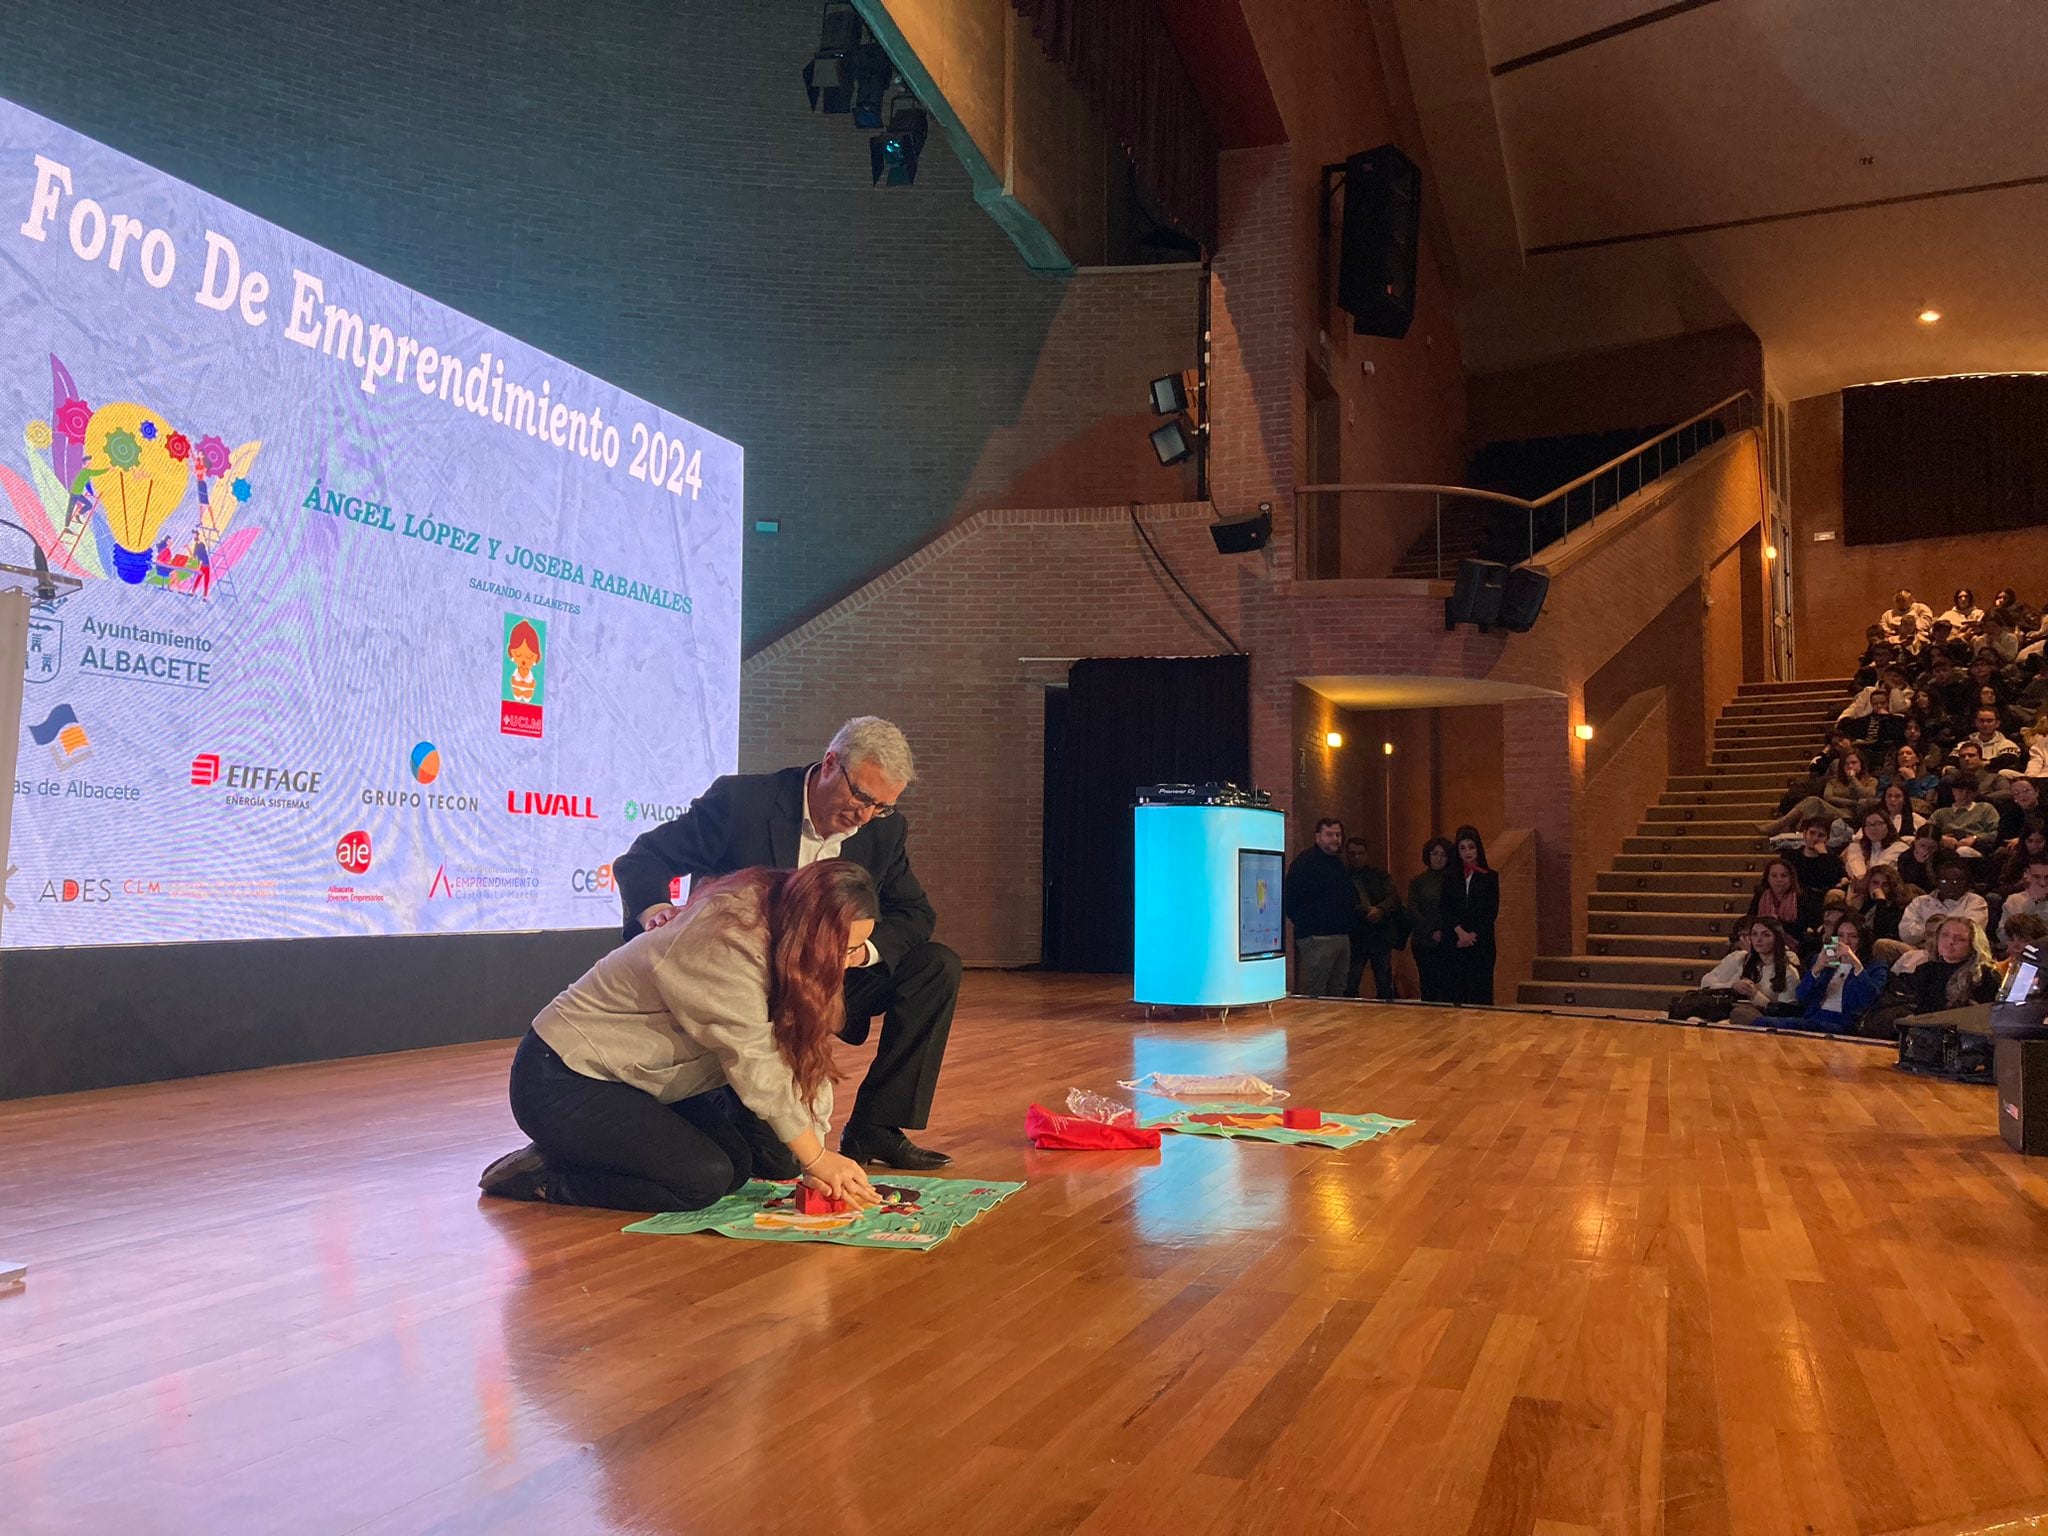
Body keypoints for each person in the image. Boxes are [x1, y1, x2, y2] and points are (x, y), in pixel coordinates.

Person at [611, 716, 959, 1171]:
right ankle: (703, 1102)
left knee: (936, 966)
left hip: (824, 983)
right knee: (777, 1164)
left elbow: (915, 914)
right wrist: (654, 910)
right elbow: (643, 860)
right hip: (747, 991)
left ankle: (876, 1126)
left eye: (881, 806)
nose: (866, 816)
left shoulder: (882, 831)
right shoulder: (742, 803)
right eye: (862, 797)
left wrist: (860, 952)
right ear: (831, 763)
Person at [479, 860, 885, 1213]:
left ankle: (585, 1150)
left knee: (738, 1167)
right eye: (845, 949)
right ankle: (549, 1175)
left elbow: (804, 1056)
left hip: (638, 1081)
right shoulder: (726, 942)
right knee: (701, 1181)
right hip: (561, 1078)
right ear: (814, 932)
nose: (849, 961)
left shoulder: (792, 933)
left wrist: (819, 1148)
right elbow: (756, 1060)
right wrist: (816, 1159)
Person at [1284, 818, 1355, 998]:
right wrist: (1308, 926)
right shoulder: (1305, 863)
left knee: (1338, 989)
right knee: (1317, 991)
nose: (1335, 839)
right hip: (1317, 937)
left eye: (1338, 835)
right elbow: (1290, 898)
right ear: (1318, 837)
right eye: (1329, 834)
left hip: (1340, 935)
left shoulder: (1338, 863)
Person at [1789, 911, 1890, 1035]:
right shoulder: (1823, 961)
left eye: (1853, 936)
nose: (1845, 942)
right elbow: (1801, 997)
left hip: (1845, 1024)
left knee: (1766, 1024)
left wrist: (1856, 965)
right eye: (1841, 936)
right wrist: (1815, 970)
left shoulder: (1875, 966)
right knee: (1764, 1023)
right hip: (1813, 1019)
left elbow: (1870, 1001)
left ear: (1862, 939)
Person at [1890, 916, 1999, 1019]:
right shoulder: (1926, 970)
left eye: (1960, 939)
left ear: (1973, 945)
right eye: (1945, 935)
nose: (1950, 942)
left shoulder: (1983, 975)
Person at [1440, 825, 1500, 1006]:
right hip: (1456, 941)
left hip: (1481, 942)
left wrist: (1473, 935)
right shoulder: (1449, 877)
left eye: (1471, 847)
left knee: (1480, 993)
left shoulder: (1490, 877)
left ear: (1478, 849)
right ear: (1457, 851)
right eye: (1462, 848)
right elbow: (1445, 907)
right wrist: (1460, 932)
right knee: (1456, 992)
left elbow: (1490, 911)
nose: (1467, 852)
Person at [1759, 748, 1874, 837]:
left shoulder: (1870, 780)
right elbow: (1828, 797)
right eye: (1846, 764)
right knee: (1812, 803)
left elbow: (1868, 795)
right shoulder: (1834, 781)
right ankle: (1791, 830)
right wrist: (1853, 802)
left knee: (1813, 803)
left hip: (1849, 815)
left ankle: (1778, 826)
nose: (1850, 766)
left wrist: (1853, 779)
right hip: (1829, 809)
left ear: (1861, 764)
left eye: (1854, 763)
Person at [1341, 836, 1402, 1001]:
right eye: (1352, 853)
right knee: (1351, 982)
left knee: (1384, 981)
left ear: (1366, 854)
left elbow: (1394, 898)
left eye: (1360, 853)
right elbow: (1343, 903)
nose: (1356, 857)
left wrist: (1380, 910)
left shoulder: (1379, 875)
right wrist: (1365, 911)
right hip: (1356, 936)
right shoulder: (1342, 878)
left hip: (1380, 935)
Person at [1724, 919, 1804, 1027]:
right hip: (1744, 1010)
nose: (1758, 939)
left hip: (1770, 1022)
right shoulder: (1749, 963)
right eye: (1754, 934)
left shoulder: (1789, 972)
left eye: (1766, 935)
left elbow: (1784, 1013)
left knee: (1738, 1015)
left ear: (1777, 939)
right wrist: (1736, 985)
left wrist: (1754, 993)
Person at [1896, 860, 1990, 951]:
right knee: (1884, 946)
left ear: (1966, 882)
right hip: (1920, 950)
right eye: (1944, 881)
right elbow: (1906, 935)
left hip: (1959, 952)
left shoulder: (1975, 901)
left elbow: (1968, 932)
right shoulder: (1920, 902)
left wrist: (1931, 929)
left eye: (1955, 882)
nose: (1950, 885)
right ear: (1937, 882)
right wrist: (1929, 928)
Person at [1407, 836, 1455, 1004]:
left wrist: (1442, 930)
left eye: (1443, 855)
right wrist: (1431, 931)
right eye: (1435, 853)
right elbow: (1413, 909)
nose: (1438, 858)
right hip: (1423, 941)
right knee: (1428, 985)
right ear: (1428, 855)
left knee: (1447, 986)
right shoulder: (1417, 882)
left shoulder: (1453, 881)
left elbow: (1453, 910)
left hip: (1447, 939)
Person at [1746, 856, 1823, 955]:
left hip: (1794, 940)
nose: (1779, 879)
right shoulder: (1760, 896)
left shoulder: (1803, 897)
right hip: (1762, 939)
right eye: (1774, 876)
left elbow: (1805, 925)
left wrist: (1776, 925)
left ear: (1791, 878)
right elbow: (1750, 920)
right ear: (1768, 879)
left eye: (1784, 875)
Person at [1930, 771, 1998, 858]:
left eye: (1969, 792)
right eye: (1961, 790)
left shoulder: (1985, 808)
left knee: (1963, 851)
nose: (1965, 794)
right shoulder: (1941, 813)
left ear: (1976, 793)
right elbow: (1926, 831)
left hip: (1976, 847)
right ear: (1953, 791)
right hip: (1946, 847)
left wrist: (1974, 838)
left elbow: (1995, 832)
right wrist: (1942, 837)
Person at [1847, 864, 1914, 946]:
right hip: (1858, 942)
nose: (1879, 888)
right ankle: (1830, 955)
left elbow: (1881, 932)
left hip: (1878, 946)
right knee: (1833, 926)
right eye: (1875, 883)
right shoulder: (1863, 901)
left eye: (1885, 885)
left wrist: (1881, 901)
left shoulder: (1897, 906)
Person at [1840, 808, 1905, 887]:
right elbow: (1856, 873)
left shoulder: (1899, 847)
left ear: (1888, 825)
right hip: (1862, 887)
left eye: (1877, 823)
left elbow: (1878, 872)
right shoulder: (1858, 847)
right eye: (1868, 824)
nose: (1872, 828)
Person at [1789, 817, 1845, 894]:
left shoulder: (1833, 860)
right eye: (1812, 833)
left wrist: (1824, 856)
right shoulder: (1791, 857)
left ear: (1827, 839)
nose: (1815, 838)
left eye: (1821, 835)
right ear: (1805, 835)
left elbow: (1833, 881)